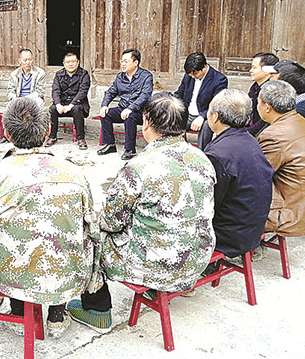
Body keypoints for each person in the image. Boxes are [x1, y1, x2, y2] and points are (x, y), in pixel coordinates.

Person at [67, 93, 216, 333]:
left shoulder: (140, 166)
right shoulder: (203, 159)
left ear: (146, 123)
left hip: (159, 263)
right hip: (197, 258)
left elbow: (110, 221)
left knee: (88, 234)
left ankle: (97, 310)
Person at [0, 97, 100, 338]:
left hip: (13, 279)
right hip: (66, 277)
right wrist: (93, 280)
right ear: (47, 130)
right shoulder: (75, 173)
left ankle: (17, 312)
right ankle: (57, 315)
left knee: (1, 236)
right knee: (68, 233)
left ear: (6, 132)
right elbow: (93, 230)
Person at [204, 90, 274, 260]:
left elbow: (209, 204)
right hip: (253, 228)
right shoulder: (250, 140)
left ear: (215, 117)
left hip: (230, 236)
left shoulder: (218, 154)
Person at [257, 80, 305, 236]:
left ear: (267, 107)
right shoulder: (301, 120)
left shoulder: (274, 135)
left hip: (291, 215)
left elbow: (257, 175)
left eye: (258, 102)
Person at [97, 49, 153, 160]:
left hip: (140, 111)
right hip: (123, 108)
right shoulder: (120, 77)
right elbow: (110, 92)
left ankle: (130, 149)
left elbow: (144, 96)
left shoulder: (146, 76)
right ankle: (110, 145)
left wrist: (130, 108)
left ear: (135, 63)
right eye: (122, 61)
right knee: (106, 114)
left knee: (130, 117)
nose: (123, 64)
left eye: (126, 61)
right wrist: (104, 105)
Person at [174, 52, 228, 150]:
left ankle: (202, 154)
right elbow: (180, 93)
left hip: (206, 115)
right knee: (172, 119)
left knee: (207, 126)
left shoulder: (219, 79)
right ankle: (177, 151)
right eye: (190, 74)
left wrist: (202, 116)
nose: (193, 76)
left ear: (204, 67)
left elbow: (217, 104)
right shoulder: (189, 76)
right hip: (187, 113)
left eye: (195, 73)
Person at [46, 52, 91, 150]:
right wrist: (58, 104)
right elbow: (55, 90)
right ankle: (52, 136)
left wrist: (71, 105)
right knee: (52, 108)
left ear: (77, 62)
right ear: (64, 63)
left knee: (77, 108)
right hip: (63, 105)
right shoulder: (59, 74)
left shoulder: (84, 74)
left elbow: (82, 92)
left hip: (78, 105)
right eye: (68, 62)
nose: (71, 64)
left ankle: (81, 138)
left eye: (73, 61)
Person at [247, 52, 279, 136]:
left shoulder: (271, 90)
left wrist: (246, 132)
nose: (251, 70)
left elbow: (265, 121)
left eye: (254, 68)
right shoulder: (255, 86)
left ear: (267, 70)